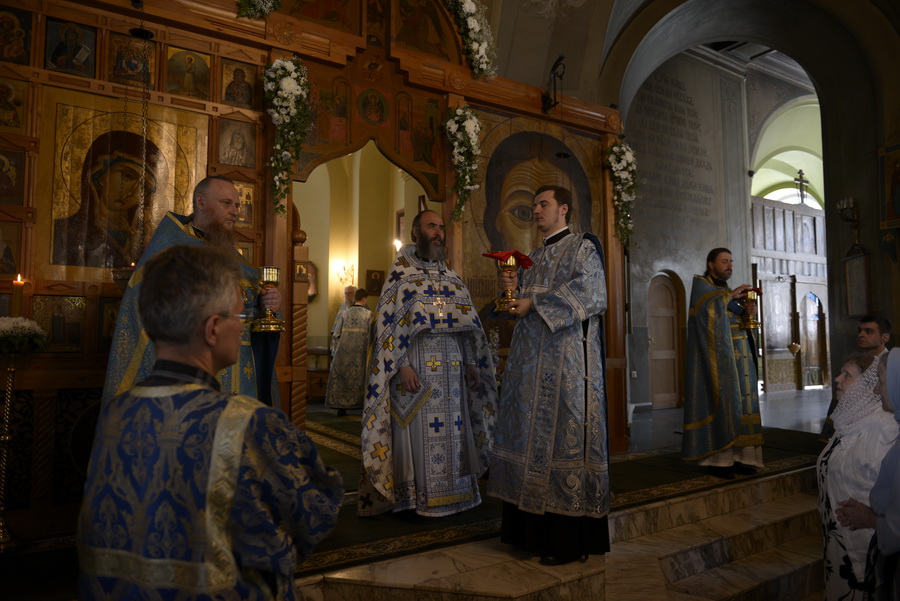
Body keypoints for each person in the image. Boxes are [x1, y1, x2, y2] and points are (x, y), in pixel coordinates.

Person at [78, 245, 343, 600]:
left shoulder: (116, 412)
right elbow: (315, 515)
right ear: (213, 329)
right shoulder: (247, 424)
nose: (243, 326)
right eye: (239, 315)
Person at [487, 185, 609, 566]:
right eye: (534, 205)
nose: (536, 210)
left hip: (566, 365)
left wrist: (533, 302)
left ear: (563, 209)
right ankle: (527, 535)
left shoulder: (582, 248)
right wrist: (511, 291)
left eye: (543, 204)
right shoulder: (534, 256)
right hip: (530, 364)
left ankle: (566, 541)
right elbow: (519, 305)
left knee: (561, 442)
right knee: (527, 440)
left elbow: (593, 293)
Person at [358, 209, 497, 517]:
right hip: (418, 371)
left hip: (454, 373)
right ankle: (418, 497)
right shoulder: (401, 276)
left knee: (455, 432)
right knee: (420, 433)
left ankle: (458, 493)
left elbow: (467, 326)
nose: (438, 232)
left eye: (441, 227)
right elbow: (389, 327)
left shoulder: (452, 278)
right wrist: (402, 364)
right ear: (415, 234)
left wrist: (472, 362)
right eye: (431, 226)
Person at [102, 175, 281, 408]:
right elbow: (147, 307)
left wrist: (269, 306)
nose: (235, 211)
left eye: (237, 205)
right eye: (226, 203)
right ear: (201, 201)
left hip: (241, 365)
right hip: (192, 364)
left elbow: (253, 313)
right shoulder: (169, 249)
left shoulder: (231, 255)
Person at [817, 353, 896, 600]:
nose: (838, 379)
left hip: (866, 543)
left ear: (867, 386)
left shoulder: (885, 431)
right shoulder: (846, 425)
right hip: (837, 539)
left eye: (847, 375)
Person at [682, 247, 763, 479]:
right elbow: (707, 310)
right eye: (724, 261)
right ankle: (718, 462)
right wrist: (731, 295)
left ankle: (739, 458)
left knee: (742, 408)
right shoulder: (702, 287)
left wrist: (749, 312)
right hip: (716, 363)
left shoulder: (724, 291)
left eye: (731, 261)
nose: (729, 265)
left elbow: (735, 320)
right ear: (711, 264)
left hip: (739, 360)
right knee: (724, 406)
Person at [52, 131, 168, 268]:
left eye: (144, 187)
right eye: (127, 176)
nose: (132, 191)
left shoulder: (147, 241)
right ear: (100, 175)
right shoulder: (64, 233)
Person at [822, 315, 892, 439]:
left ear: (884, 337)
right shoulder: (854, 361)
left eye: (868, 331)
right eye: (860, 330)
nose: (861, 335)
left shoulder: (892, 366)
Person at [325, 287, 373, 416]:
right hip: (361, 354)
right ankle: (362, 405)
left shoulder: (345, 313)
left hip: (344, 352)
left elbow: (336, 334)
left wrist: (335, 352)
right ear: (364, 299)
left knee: (344, 378)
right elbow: (373, 336)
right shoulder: (369, 314)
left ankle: (341, 407)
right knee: (360, 378)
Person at [330, 284, 357, 350]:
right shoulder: (342, 307)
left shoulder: (361, 308)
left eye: (350, 293)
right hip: (340, 342)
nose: (347, 295)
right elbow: (336, 326)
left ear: (356, 295)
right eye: (345, 293)